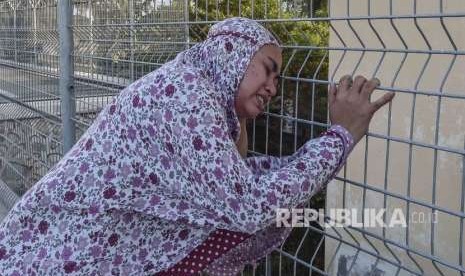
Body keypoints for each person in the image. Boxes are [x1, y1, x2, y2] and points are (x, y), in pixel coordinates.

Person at [0, 17, 394, 275]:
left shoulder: (197, 90)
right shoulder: (185, 95)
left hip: (75, 251)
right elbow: (248, 207)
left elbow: (231, 184)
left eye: (278, 80)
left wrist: (243, 115)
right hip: (51, 257)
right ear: (232, 55)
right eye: (268, 70)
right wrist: (341, 135)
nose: (273, 87)